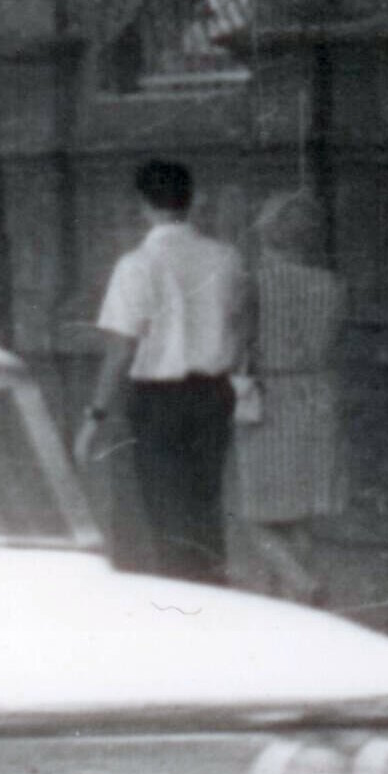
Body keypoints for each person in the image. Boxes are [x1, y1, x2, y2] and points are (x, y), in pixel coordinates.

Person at [77, 159, 249, 583]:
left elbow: (121, 347)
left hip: (159, 401)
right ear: (190, 200)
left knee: (166, 511)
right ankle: (211, 596)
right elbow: (242, 325)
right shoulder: (225, 257)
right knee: (205, 507)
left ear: (142, 204)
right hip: (214, 394)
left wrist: (95, 415)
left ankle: (182, 599)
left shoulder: (137, 264)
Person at [229, 190, 345, 606]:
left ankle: (303, 585)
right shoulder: (332, 284)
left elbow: (238, 343)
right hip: (318, 395)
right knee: (299, 516)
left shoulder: (254, 283)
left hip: (270, 398)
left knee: (255, 515)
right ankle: (296, 610)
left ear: (268, 233)